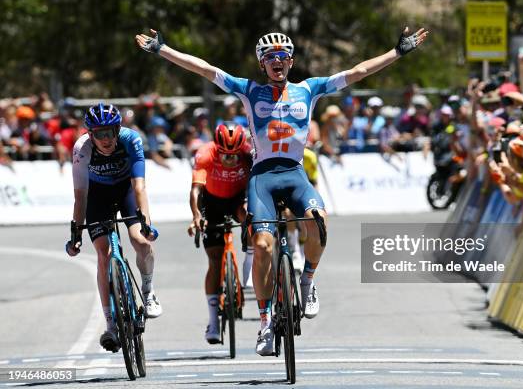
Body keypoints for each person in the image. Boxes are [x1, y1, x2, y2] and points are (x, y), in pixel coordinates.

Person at [135, 25, 428, 355]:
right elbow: (203, 68)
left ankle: (308, 281)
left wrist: (398, 52)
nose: (278, 61)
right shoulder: (248, 91)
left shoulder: (310, 89)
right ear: (262, 64)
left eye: (283, 57)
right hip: (262, 178)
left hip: (295, 175)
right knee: (262, 245)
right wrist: (162, 49)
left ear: (291, 61)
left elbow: (358, 72)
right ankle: (264, 322)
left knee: (318, 221)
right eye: (270, 57)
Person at [65, 103, 161, 353]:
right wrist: (76, 234)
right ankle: (110, 325)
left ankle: (149, 291)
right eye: (99, 134)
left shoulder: (131, 140)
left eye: (110, 132)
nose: (106, 139)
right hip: (97, 197)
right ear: (90, 134)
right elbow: (80, 196)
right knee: (103, 254)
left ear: (119, 129)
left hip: (127, 190)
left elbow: (140, 187)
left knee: (140, 241)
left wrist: (147, 224)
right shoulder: (81, 149)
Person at [187, 122, 253, 344]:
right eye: (225, 155)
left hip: (238, 199)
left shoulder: (247, 154)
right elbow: (196, 189)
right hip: (212, 202)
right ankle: (213, 321)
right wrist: (196, 216)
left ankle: (250, 262)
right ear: (217, 148)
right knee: (215, 260)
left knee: (249, 217)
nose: (230, 160)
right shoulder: (205, 154)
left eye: (234, 156)